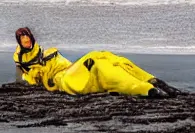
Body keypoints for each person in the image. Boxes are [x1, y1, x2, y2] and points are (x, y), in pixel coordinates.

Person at [14, 27, 181, 98]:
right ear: (20, 42)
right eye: (23, 40)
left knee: (104, 56)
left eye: (27, 38)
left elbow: (64, 63)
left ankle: (151, 80)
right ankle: (145, 89)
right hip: (64, 79)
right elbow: (27, 80)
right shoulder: (23, 62)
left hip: (71, 69)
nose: (26, 41)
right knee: (97, 62)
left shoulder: (46, 51)